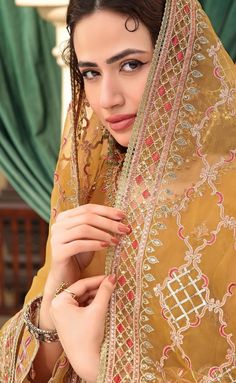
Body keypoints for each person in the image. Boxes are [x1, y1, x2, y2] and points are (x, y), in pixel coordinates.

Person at [1, 0, 236, 381]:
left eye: (130, 65)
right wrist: (59, 286)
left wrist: (94, 366)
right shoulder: (94, 184)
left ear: (183, 57)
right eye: (91, 73)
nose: (107, 98)